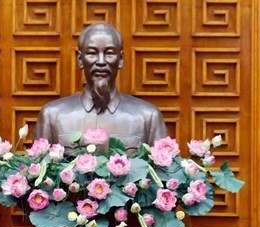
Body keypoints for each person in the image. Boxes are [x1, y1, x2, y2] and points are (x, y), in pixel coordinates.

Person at [34, 22, 167, 154]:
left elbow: (164, 172)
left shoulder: (148, 117)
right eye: (92, 53)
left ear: (120, 59)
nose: (101, 62)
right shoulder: (52, 115)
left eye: (109, 53)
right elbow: (38, 170)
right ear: (80, 59)